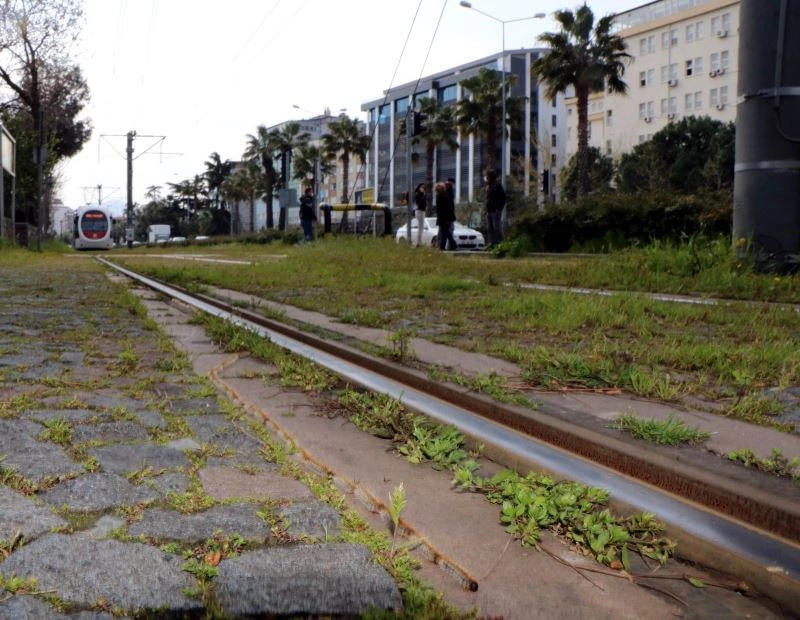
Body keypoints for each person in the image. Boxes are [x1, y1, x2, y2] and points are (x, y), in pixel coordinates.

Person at [484, 170, 506, 249]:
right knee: (490, 228)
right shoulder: (488, 186)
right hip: (489, 210)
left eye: (488, 176)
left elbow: (503, 198)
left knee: (497, 227)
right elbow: (487, 199)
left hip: (495, 210)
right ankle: (491, 243)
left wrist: (498, 208)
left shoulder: (497, 185)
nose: (486, 178)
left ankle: (501, 243)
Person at [434, 182, 457, 251]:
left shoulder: (441, 197)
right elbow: (447, 209)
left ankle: (445, 245)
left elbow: (441, 209)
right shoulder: (445, 196)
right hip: (445, 217)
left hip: (443, 218)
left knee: (445, 232)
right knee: (446, 232)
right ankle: (447, 245)